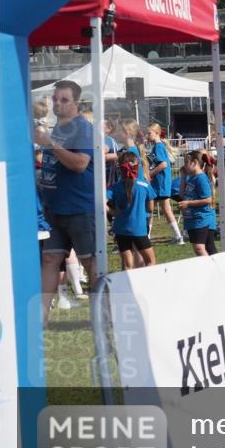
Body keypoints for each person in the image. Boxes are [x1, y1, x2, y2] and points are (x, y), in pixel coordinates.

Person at [35, 80, 98, 327]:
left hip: (80, 210)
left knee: (90, 262)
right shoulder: (57, 128)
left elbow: (80, 163)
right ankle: (41, 317)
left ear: (76, 103)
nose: (57, 104)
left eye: (64, 100)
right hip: (55, 210)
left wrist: (50, 143)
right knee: (50, 260)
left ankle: (101, 314)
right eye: (55, 99)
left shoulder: (83, 128)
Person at [108, 150, 157, 269]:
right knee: (150, 261)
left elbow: (101, 201)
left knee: (127, 264)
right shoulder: (145, 185)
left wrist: (113, 212)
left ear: (120, 168)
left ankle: (125, 287)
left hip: (120, 229)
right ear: (137, 166)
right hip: (139, 229)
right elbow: (150, 209)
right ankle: (143, 285)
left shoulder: (115, 187)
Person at [145, 123, 183, 243]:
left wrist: (149, 174)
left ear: (157, 133)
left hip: (160, 184)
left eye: (149, 133)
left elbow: (163, 164)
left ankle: (178, 237)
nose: (147, 135)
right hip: (158, 184)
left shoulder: (158, 147)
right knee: (150, 209)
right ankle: (147, 236)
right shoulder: (157, 146)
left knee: (161, 209)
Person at [179, 149, 218, 256]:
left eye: (186, 162)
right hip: (193, 219)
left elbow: (208, 199)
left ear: (195, 162)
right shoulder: (191, 178)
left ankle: (210, 269)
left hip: (201, 218)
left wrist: (188, 204)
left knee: (199, 248)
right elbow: (182, 195)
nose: (184, 166)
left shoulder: (201, 179)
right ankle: (215, 269)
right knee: (208, 248)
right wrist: (183, 178)